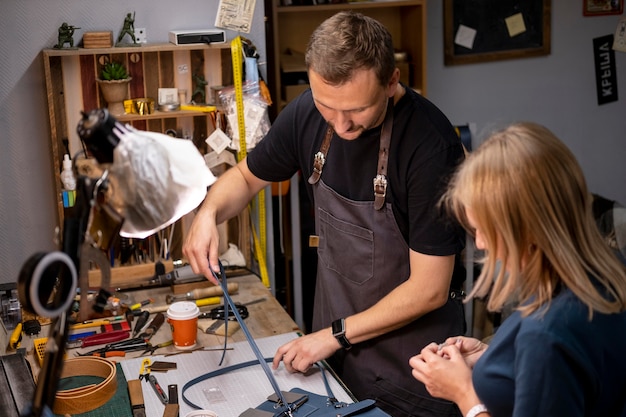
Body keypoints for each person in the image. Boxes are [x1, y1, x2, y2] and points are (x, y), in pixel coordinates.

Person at [184, 11, 467, 416]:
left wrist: (333, 336)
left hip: (417, 373)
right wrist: (208, 212)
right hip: (336, 360)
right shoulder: (308, 114)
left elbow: (430, 288)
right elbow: (246, 179)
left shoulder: (431, 147)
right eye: (325, 106)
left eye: (355, 110)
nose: (340, 123)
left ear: (391, 81)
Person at [409, 122, 626, 417]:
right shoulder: (609, 269)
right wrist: (495, 359)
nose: (482, 244)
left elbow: (550, 357)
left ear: (530, 229)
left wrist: (464, 393)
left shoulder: (548, 333)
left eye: (486, 230)